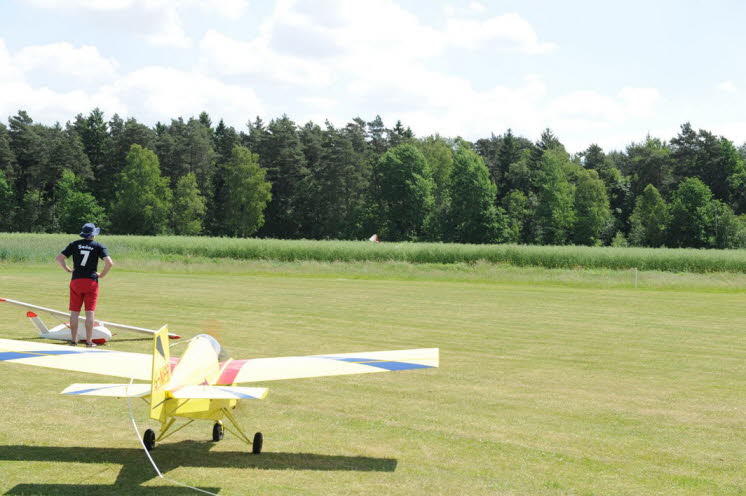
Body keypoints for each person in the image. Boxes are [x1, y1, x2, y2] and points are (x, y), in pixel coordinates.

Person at [54, 222, 114, 347]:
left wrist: (67, 269)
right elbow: (109, 262)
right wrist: (102, 274)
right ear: (93, 234)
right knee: (90, 312)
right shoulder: (98, 245)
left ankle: (74, 340)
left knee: (74, 312)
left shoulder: (74, 244)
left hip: (76, 280)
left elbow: (59, 258)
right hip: (91, 281)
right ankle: (88, 341)